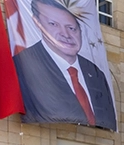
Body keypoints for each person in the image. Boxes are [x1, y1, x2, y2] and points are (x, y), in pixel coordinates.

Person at [13, 0, 117, 130]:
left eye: (71, 28)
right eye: (53, 24)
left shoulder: (96, 73)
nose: (66, 34)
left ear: (80, 29)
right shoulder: (23, 63)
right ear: (37, 23)